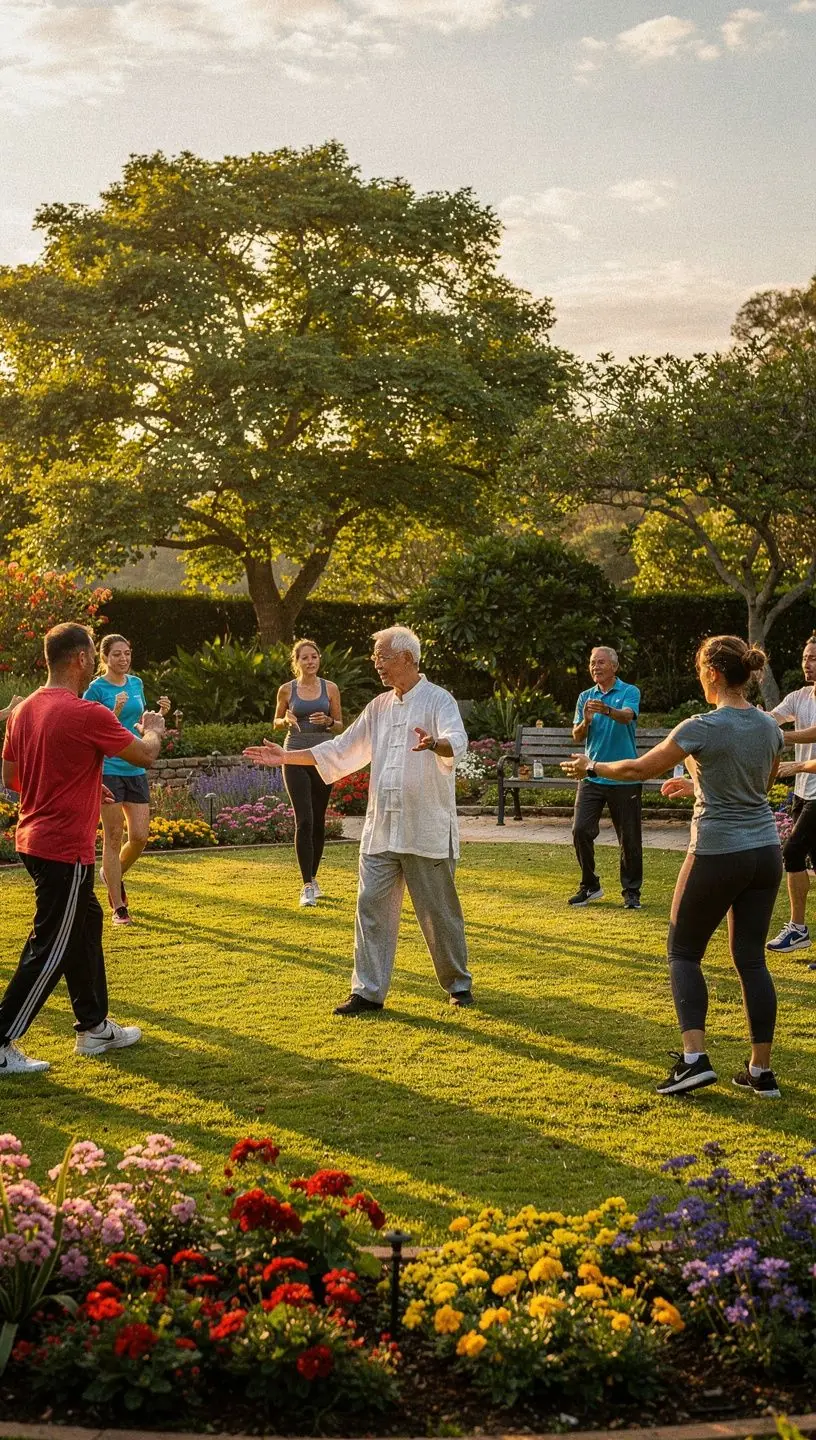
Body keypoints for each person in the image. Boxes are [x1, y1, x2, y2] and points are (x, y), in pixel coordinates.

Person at [563, 635, 785, 1099]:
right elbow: (760, 785)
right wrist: (699, 788)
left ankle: (693, 1061)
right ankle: (761, 1071)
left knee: (683, 952)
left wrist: (591, 766)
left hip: (718, 850)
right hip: (765, 852)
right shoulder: (769, 726)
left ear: (713, 674)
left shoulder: (701, 725)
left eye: (701, 669)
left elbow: (639, 769)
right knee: (751, 958)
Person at [245, 625, 473, 1014]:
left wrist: (435, 743)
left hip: (425, 828)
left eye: (382, 657)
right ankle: (367, 991)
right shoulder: (378, 706)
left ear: (407, 658)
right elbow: (342, 747)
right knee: (370, 908)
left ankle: (458, 984)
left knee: (438, 913)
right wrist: (286, 757)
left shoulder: (439, 700)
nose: (376, 663)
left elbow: (458, 739)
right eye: (375, 657)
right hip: (381, 829)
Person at [0, 623, 165, 1077]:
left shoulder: (24, 709)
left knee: (86, 923)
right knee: (50, 945)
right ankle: (2, 1039)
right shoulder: (86, 712)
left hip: (33, 840)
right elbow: (144, 755)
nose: (94, 659)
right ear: (80, 659)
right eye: (92, 652)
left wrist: (84, 787)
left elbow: (12, 777)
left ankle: (94, 1027)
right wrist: (154, 729)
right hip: (63, 848)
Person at [83, 634, 170, 926]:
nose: (123, 659)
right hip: (108, 767)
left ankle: (111, 873)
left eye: (127, 653)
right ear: (104, 658)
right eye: (117, 654)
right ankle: (119, 907)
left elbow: (138, 722)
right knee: (113, 836)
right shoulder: (95, 689)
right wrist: (114, 711)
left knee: (140, 837)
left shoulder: (136, 683)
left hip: (135, 766)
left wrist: (158, 717)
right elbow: (88, 727)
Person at [570, 646, 643, 909]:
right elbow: (577, 735)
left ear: (614, 666)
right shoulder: (585, 697)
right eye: (592, 662)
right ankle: (590, 885)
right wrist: (586, 721)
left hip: (623, 775)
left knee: (629, 838)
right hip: (591, 775)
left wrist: (606, 710)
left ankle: (631, 892)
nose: (595, 667)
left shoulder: (629, 691)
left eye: (601, 662)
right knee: (580, 830)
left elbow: (627, 717)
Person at [272, 639, 342, 908]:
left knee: (319, 820)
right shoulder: (286, 690)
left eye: (314, 657)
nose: (310, 661)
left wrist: (329, 721)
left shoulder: (330, 688)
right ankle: (306, 886)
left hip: (323, 758)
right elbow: (276, 722)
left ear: (319, 659)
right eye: (305, 658)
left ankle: (313, 877)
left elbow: (339, 725)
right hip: (294, 757)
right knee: (304, 820)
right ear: (297, 662)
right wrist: (285, 720)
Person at [766, 635, 816, 954]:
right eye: (805, 657)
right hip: (802, 793)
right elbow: (773, 718)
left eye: (814, 658)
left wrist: (785, 741)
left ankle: (798, 929)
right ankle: (800, 932)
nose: (807, 664)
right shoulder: (799, 697)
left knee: (792, 851)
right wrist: (755, 719)